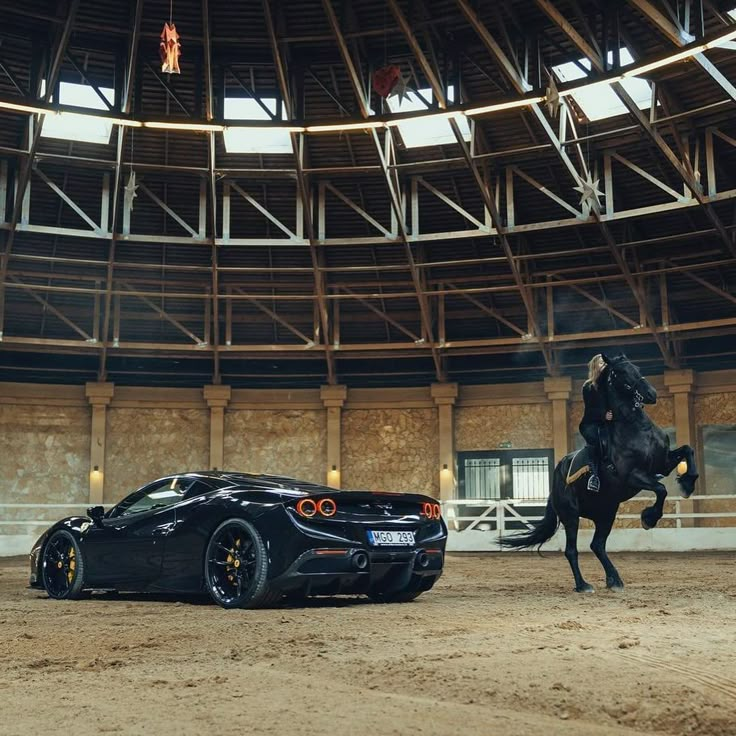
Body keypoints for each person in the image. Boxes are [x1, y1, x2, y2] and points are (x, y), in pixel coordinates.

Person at [579, 354, 614, 492]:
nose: (604, 365)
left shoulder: (611, 386)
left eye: (605, 363)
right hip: (590, 424)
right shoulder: (588, 386)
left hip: (609, 423)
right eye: (601, 363)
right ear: (595, 367)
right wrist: (604, 415)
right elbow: (590, 409)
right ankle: (594, 476)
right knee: (595, 440)